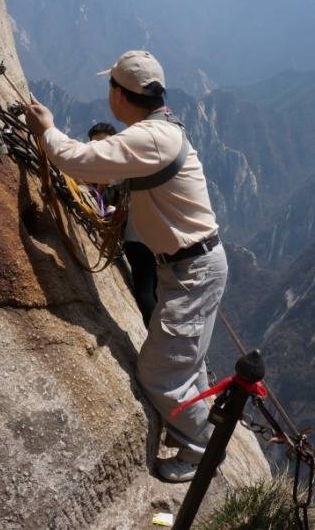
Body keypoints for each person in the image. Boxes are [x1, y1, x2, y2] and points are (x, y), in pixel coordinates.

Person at [25, 50, 227, 483]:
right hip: (193, 266)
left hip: (191, 270)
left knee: (158, 371)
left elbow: (77, 160)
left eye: (110, 87)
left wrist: (46, 131)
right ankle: (195, 426)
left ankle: (201, 449)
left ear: (120, 93)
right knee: (184, 361)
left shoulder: (150, 139)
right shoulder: (159, 130)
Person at [85, 122, 159, 328]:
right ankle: (164, 337)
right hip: (158, 235)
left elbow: (109, 192)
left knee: (146, 290)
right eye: (95, 144)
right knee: (154, 289)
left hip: (138, 237)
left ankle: (157, 336)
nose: (100, 149)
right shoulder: (133, 164)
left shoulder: (119, 166)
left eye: (104, 143)